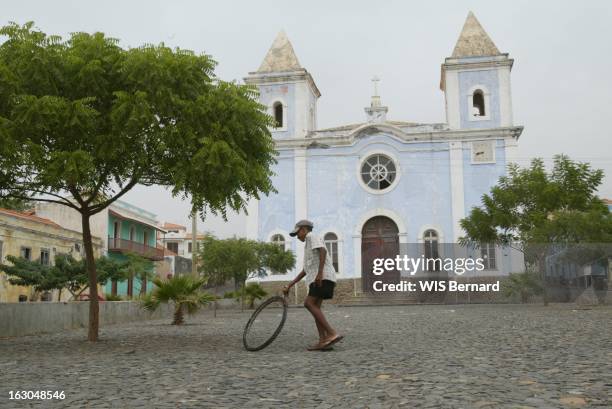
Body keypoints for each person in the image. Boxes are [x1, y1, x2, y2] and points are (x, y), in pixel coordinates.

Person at [283, 219, 343, 350]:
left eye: (298, 233)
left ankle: (332, 333)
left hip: (322, 278)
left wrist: (320, 273)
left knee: (308, 304)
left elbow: (323, 251)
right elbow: (305, 270)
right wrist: (290, 285)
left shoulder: (311, 236)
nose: (297, 237)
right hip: (318, 278)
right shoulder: (308, 246)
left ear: (304, 230)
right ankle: (323, 341)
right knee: (316, 308)